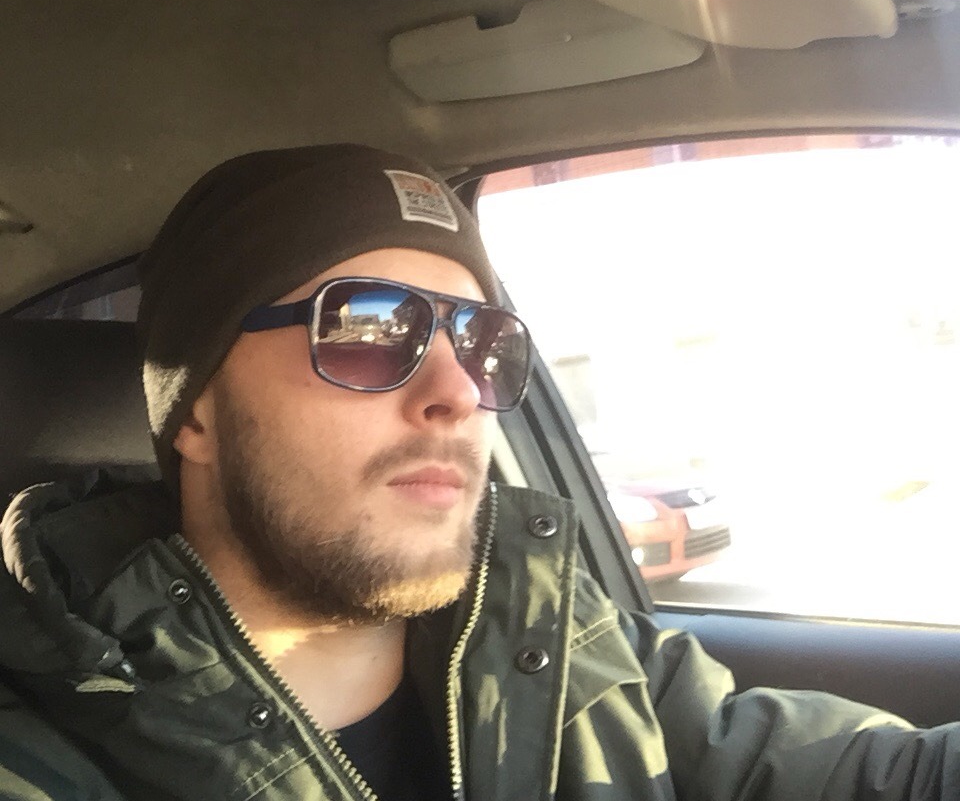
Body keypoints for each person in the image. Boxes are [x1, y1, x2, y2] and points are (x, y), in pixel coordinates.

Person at [0, 143, 958, 801]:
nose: (457, 392)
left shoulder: (559, 639)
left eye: (482, 340)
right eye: (368, 328)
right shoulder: (45, 752)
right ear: (196, 411)